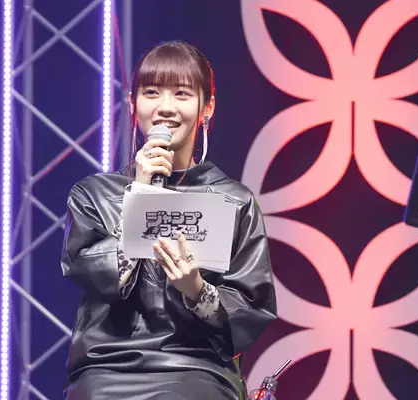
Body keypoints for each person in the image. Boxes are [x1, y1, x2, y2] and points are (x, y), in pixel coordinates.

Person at [60, 40, 277, 400]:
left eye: (181, 94)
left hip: (196, 369)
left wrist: (196, 289)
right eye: (151, 92)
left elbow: (251, 309)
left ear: (207, 107)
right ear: (133, 103)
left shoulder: (234, 200)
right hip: (107, 367)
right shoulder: (94, 194)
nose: (165, 107)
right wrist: (140, 194)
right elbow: (92, 275)